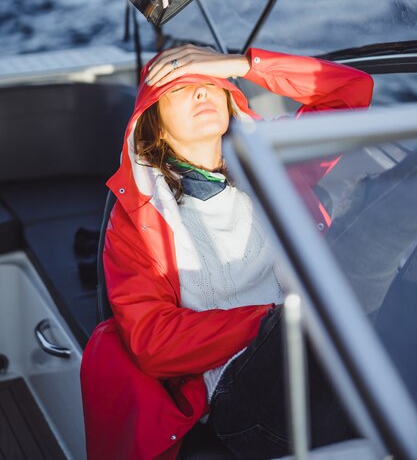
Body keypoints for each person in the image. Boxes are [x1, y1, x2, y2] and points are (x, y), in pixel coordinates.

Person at [81, 43, 374, 460]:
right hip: (240, 390)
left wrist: (243, 64)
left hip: (325, 343)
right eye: (180, 89)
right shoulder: (138, 219)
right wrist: (274, 321)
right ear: (155, 126)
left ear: (228, 97)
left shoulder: (273, 158)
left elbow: (351, 91)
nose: (201, 91)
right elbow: (153, 340)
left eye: (209, 82)